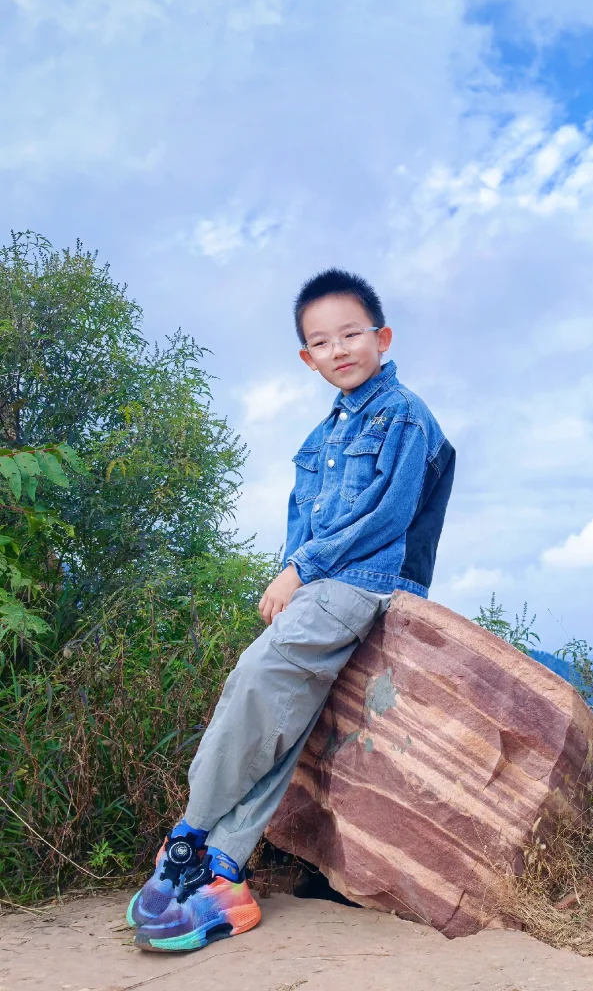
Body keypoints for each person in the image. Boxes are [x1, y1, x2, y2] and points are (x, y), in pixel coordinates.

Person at [126, 268, 455, 952]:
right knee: (285, 716)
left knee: (256, 677)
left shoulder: (405, 416)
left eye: (351, 334)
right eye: (321, 342)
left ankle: (189, 834)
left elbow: (386, 517)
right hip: (322, 586)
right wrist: (295, 572)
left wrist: (299, 571)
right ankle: (225, 870)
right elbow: (301, 524)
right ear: (307, 358)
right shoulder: (318, 439)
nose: (339, 349)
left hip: (361, 581)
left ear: (382, 337)